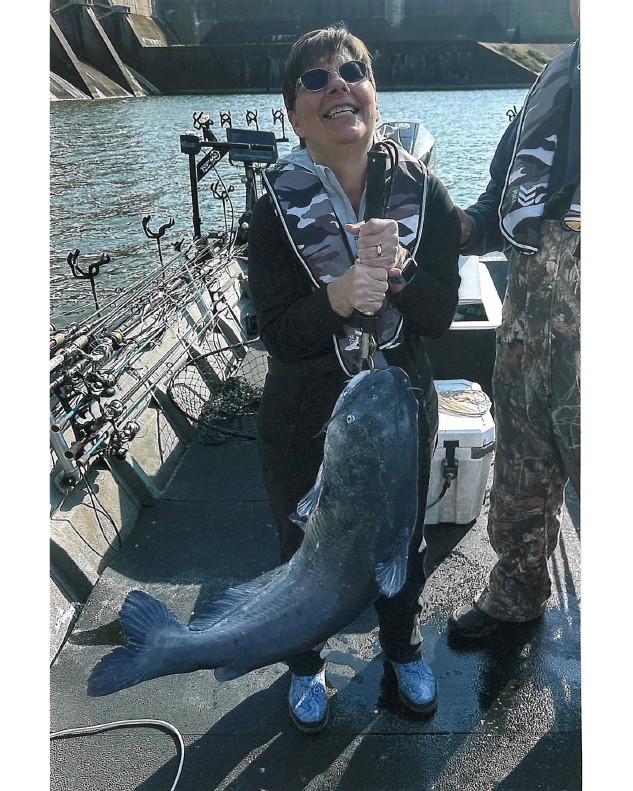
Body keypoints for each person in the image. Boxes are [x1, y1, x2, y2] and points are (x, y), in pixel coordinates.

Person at [247, 25, 461, 732]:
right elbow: (274, 333)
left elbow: (435, 318)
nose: (337, 83)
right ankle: (303, 660)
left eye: (352, 71)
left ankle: (400, 646)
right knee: (300, 541)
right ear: (294, 114)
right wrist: (336, 298)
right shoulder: (271, 210)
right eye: (315, 79)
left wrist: (397, 275)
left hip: (400, 403)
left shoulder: (421, 191)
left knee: (402, 536)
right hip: (302, 410)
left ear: (373, 93)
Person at [448, 0, 580, 640]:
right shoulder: (554, 78)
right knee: (522, 465)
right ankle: (516, 596)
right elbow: (505, 187)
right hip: (529, 312)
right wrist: (461, 226)